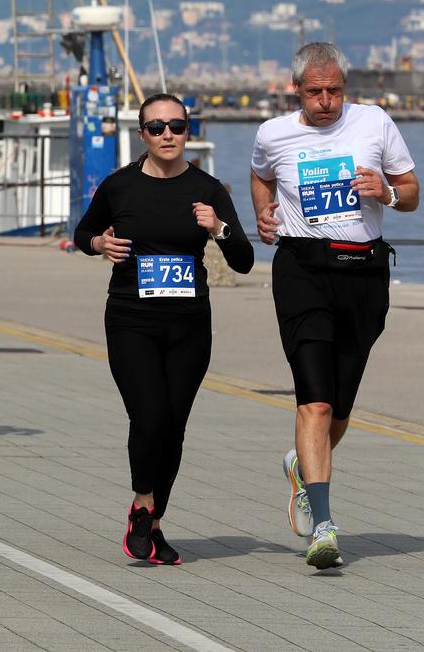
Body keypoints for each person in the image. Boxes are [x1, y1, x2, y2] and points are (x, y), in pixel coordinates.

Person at [250, 42, 420, 570]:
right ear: (295, 89)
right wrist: (263, 214)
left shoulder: (374, 124)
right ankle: (323, 525)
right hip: (302, 270)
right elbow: (261, 176)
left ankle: (302, 468)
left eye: (335, 91)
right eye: (315, 91)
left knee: (340, 407)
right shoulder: (273, 134)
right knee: (315, 402)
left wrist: (386, 193)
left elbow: (412, 192)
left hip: (363, 273)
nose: (326, 101)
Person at [74, 93, 254, 565]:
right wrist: (99, 242)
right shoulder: (120, 187)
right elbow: (83, 234)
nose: (167, 135)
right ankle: (140, 503)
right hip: (131, 320)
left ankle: (153, 525)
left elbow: (245, 260)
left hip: (190, 325)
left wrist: (218, 228)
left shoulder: (210, 189)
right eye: (157, 128)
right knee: (150, 416)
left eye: (176, 126)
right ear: (143, 135)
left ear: (188, 131)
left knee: (173, 427)